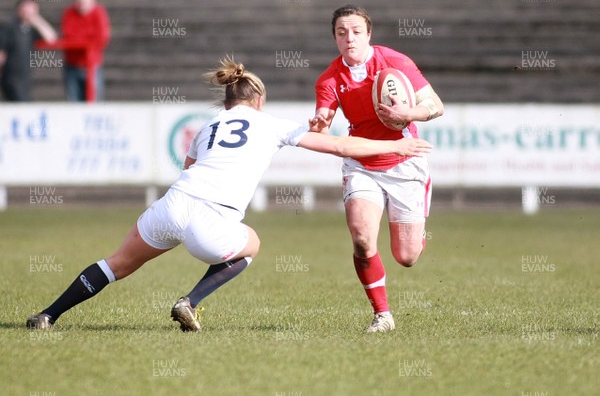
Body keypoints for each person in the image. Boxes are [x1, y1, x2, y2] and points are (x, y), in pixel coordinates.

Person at [26, 56, 433, 332]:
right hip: (213, 219)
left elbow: (189, 169)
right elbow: (343, 146)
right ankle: (190, 300)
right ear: (258, 100)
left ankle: (48, 314)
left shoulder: (207, 129)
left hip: (173, 204)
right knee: (251, 243)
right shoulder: (269, 123)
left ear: (226, 100)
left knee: (116, 264)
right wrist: (395, 146)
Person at [309, 5, 444, 333]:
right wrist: (319, 124)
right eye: (341, 33)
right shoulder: (329, 79)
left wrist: (409, 114)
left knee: (407, 256)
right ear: (335, 39)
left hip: (404, 161)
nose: (349, 38)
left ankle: (415, 226)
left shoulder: (396, 63)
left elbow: (435, 106)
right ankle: (382, 314)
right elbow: (322, 125)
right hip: (362, 164)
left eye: (356, 31)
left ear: (369, 34)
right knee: (362, 238)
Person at [0, 0, 57, 101]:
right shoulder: (9, 27)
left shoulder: (31, 29)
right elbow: (2, 52)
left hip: (25, 75)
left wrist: (37, 20)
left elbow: (51, 39)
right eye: (26, 10)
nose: (28, 13)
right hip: (11, 74)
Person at [61, 0, 110, 101]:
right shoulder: (70, 13)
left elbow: (102, 37)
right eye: (80, 1)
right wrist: (88, 38)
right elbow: (68, 35)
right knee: (73, 102)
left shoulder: (99, 13)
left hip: (92, 65)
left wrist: (83, 39)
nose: (83, 5)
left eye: (86, 1)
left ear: (93, 2)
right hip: (72, 64)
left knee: (94, 101)